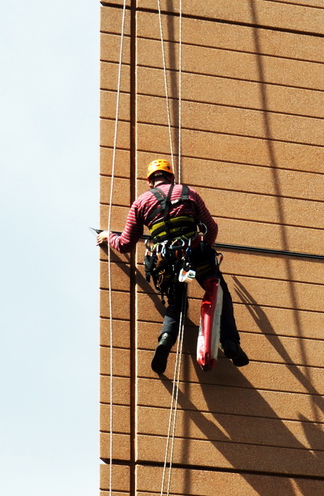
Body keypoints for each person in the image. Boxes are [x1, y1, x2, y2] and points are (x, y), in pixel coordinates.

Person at [97, 158, 249, 374]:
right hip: (196, 255)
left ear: (150, 181)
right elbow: (211, 228)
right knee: (220, 293)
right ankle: (231, 342)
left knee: (176, 303)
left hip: (169, 262)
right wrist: (205, 249)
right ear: (171, 177)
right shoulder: (189, 193)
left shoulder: (140, 203)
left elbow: (125, 244)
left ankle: (165, 340)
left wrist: (108, 236)